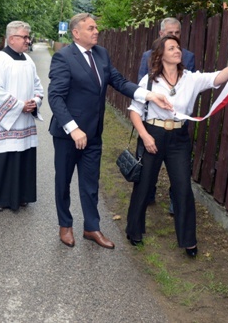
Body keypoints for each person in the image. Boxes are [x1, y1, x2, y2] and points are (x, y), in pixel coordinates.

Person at [48, 13, 171, 249]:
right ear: (76, 33)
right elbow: (55, 97)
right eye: (91, 28)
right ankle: (65, 225)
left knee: (90, 182)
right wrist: (73, 128)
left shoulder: (101, 54)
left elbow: (120, 81)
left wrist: (149, 95)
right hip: (68, 135)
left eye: (96, 28)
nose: (96, 32)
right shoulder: (63, 57)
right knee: (63, 182)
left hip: (93, 134)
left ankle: (91, 228)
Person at [125, 35, 228, 256]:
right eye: (172, 48)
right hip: (153, 134)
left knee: (182, 187)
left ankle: (188, 240)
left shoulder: (190, 79)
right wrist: (145, 136)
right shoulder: (149, 81)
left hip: (179, 138)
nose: (178, 50)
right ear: (160, 54)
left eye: (178, 47)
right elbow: (134, 111)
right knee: (144, 184)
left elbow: (218, 77)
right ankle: (134, 230)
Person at [0, 21, 43, 211]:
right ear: (12, 38)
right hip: (0, 123)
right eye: (25, 37)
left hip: (23, 122)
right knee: (1, 160)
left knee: (20, 158)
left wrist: (35, 102)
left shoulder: (28, 61)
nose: (28, 41)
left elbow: (38, 87)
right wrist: (20, 106)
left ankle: (19, 196)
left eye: (28, 37)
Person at [138, 17, 196, 211]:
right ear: (161, 34)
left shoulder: (188, 56)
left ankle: (175, 201)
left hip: (178, 121)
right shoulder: (148, 55)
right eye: (169, 33)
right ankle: (148, 195)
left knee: (179, 169)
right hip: (153, 120)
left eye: (177, 33)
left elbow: (190, 85)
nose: (173, 36)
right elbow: (141, 86)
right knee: (148, 166)